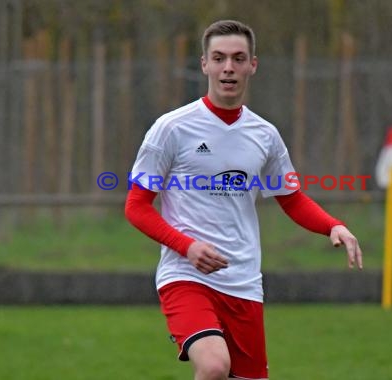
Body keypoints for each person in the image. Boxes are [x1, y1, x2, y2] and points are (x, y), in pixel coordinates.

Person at [125, 19, 363, 380]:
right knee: (215, 366)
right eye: (219, 58)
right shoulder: (171, 129)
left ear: (253, 65)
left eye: (238, 58)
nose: (228, 68)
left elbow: (292, 199)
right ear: (204, 64)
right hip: (186, 276)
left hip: (244, 282)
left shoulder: (264, 135)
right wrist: (186, 246)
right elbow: (136, 206)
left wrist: (334, 225)